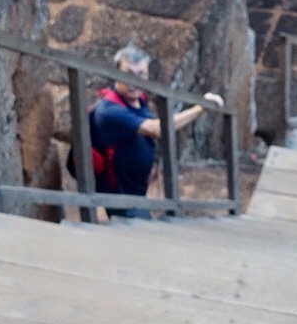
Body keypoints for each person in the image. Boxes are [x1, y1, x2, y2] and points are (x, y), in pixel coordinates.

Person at [87, 46, 221, 219]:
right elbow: (157, 129)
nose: (134, 81)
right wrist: (200, 108)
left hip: (135, 195)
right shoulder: (108, 111)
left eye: (141, 74)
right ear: (116, 74)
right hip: (117, 199)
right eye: (128, 74)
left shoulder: (138, 100)